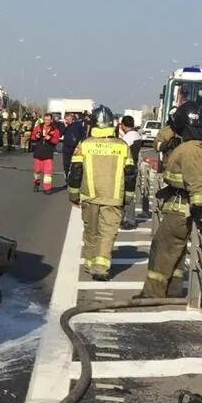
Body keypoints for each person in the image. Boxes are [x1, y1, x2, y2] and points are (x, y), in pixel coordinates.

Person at [138, 102, 202, 298]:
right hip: (182, 206)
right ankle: (173, 290)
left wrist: (198, 207)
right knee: (176, 252)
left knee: (162, 249)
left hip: (181, 210)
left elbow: (197, 181)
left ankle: (152, 294)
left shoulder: (190, 150)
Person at [68, 106, 135, 280]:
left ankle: (90, 263)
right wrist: (128, 197)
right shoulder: (122, 146)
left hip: (89, 196)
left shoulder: (84, 144)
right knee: (107, 233)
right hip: (113, 198)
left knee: (91, 231)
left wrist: (73, 194)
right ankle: (101, 267)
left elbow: (75, 170)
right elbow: (130, 174)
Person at [118, 116, 144, 229]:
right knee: (128, 193)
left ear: (123, 125)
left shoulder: (128, 137)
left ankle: (129, 220)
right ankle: (127, 218)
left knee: (127, 194)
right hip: (133, 166)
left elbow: (121, 151)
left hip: (128, 167)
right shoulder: (136, 134)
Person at [29, 113, 62, 193]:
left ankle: (47, 188)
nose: (46, 121)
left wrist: (50, 138)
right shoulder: (38, 127)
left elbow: (56, 141)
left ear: (51, 120)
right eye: (45, 120)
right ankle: (36, 183)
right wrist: (36, 136)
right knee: (36, 171)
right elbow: (32, 137)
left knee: (48, 173)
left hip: (48, 154)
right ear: (43, 119)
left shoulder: (55, 129)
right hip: (38, 153)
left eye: (48, 120)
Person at [61, 112, 87, 178]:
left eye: (70, 117)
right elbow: (61, 133)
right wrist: (65, 126)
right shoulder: (64, 125)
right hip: (66, 148)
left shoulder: (78, 124)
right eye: (67, 118)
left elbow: (83, 134)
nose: (68, 119)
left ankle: (75, 181)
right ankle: (67, 180)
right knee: (66, 165)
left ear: (72, 118)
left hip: (76, 148)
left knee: (76, 165)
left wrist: (80, 143)